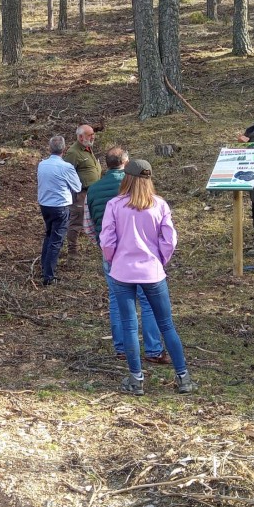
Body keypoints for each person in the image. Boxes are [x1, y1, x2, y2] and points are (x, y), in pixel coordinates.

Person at [99, 160, 194, 395]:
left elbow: (107, 240)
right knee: (166, 325)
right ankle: (183, 378)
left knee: (129, 326)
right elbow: (169, 239)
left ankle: (136, 378)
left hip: (122, 271)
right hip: (152, 271)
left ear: (126, 179)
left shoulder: (115, 204)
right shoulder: (159, 204)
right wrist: (160, 260)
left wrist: (114, 260)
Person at [86, 147, 167, 364]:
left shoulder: (93, 190)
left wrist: (104, 248)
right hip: (144, 256)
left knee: (116, 299)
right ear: (126, 161)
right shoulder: (142, 190)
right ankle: (153, 349)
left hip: (111, 253)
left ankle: (122, 348)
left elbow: (88, 225)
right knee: (147, 301)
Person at [36, 135, 81, 286]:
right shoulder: (66, 167)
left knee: (49, 235)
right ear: (64, 149)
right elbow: (77, 187)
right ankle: (48, 276)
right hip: (60, 206)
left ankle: (44, 267)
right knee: (56, 240)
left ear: (50, 148)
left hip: (45, 205)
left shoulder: (42, 164)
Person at [63, 125, 101, 254]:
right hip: (80, 193)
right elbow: (66, 174)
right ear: (80, 137)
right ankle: (72, 250)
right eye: (90, 134)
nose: (93, 136)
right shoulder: (73, 153)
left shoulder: (88, 147)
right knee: (76, 221)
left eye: (93, 134)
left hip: (92, 192)